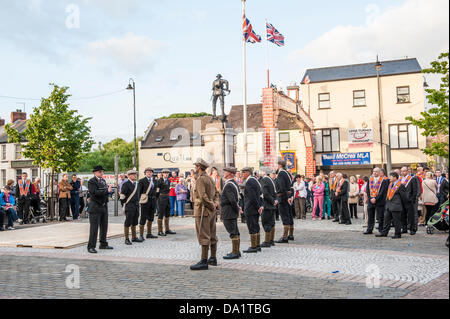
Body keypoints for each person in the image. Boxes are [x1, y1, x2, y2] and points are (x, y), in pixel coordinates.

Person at [190, 159, 219, 271]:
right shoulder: (210, 178)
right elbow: (216, 193)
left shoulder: (201, 179)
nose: (195, 168)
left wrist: (211, 205)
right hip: (211, 211)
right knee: (212, 234)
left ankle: (204, 260)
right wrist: (215, 204)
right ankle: (213, 258)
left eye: (196, 166)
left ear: (198, 167)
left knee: (204, 235)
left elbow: (202, 196)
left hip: (203, 211)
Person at [87, 166, 113, 253]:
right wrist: (107, 191)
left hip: (103, 206)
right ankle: (91, 246)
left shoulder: (103, 181)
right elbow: (94, 193)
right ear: (95, 173)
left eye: (102, 171)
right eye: (99, 172)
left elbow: (104, 192)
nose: (101, 173)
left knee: (104, 226)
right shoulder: (92, 181)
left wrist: (107, 192)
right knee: (94, 228)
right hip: (95, 207)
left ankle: (103, 243)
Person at [376, 172, 407, 239]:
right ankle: (384, 232)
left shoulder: (400, 185)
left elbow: (404, 197)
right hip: (388, 205)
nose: (389, 178)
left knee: (396, 221)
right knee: (386, 220)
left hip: (396, 206)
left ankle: (397, 234)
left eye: (391, 176)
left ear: (395, 177)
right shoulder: (390, 185)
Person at [221, 167, 242, 260]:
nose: (224, 173)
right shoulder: (233, 183)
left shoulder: (229, 184)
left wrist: (236, 209)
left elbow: (232, 200)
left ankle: (235, 252)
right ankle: (236, 251)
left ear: (230, 173)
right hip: (231, 211)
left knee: (233, 232)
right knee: (235, 231)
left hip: (229, 211)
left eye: (225, 171)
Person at [241, 167, 264, 253]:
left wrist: (258, 206)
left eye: (243, 172)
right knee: (256, 226)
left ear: (248, 173)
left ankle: (254, 246)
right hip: (255, 208)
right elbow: (261, 194)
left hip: (251, 208)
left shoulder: (250, 181)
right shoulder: (254, 180)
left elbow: (252, 197)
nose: (242, 174)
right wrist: (260, 206)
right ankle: (257, 245)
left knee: (252, 227)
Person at [364, 168, 389, 235]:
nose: (375, 173)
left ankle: (381, 230)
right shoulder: (370, 179)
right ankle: (369, 229)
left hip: (379, 201)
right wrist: (370, 198)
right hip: (371, 201)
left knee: (380, 216)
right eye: (374, 171)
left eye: (376, 172)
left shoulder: (383, 180)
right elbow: (367, 190)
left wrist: (376, 198)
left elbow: (383, 191)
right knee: (370, 216)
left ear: (379, 172)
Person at [120, 170, 142, 245]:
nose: (135, 176)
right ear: (128, 176)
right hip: (129, 205)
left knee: (135, 221)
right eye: (133, 174)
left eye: (135, 174)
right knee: (128, 222)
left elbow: (138, 195)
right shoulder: (126, 184)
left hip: (136, 205)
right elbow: (122, 197)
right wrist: (124, 205)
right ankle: (126, 238)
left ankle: (134, 237)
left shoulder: (137, 184)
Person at [276, 159, 294, 243]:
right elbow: (291, 186)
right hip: (288, 196)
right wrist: (290, 196)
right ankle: (291, 234)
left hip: (283, 197)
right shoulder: (287, 173)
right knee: (289, 215)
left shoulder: (281, 173)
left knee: (284, 216)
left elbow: (282, 187)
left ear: (279, 165)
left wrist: (286, 197)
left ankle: (284, 237)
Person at [399, 166, 421, 235]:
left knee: (411, 216)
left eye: (404, 171)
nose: (403, 172)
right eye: (402, 171)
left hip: (409, 200)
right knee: (403, 215)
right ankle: (404, 228)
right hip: (402, 200)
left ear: (408, 171)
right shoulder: (400, 179)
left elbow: (415, 189)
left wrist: (413, 199)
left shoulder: (412, 178)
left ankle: (412, 229)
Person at [260, 168, 278, 247]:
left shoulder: (264, 180)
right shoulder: (271, 180)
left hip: (267, 205)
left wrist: (272, 201)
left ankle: (267, 241)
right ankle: (271, 240)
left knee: (266, 222)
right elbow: (275, 192)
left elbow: (265, 193)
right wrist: (275, 200)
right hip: (272, 205)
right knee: (271, 222)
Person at [138, 167, 158, 240]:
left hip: (153, 201)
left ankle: (149, 233)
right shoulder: (142, 181)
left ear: (152, 173)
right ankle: (141, 235)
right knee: (143, 217)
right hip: (145, 201)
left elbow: (156, 191)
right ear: (145, 173)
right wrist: (139, 201)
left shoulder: (155, 181)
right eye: (147, 172)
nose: (149, 173)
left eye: (150, 172)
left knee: (151, 217)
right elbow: (139, 192)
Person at [156, 169, 176, 236]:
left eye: (167, 173)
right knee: (160, 214)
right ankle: (160, 230)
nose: (166, 174)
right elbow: (157, 191)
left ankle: (167, 229)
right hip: (161, 198)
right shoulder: (159, 181)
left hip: (167, 197)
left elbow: (170, 188)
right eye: (165, 173)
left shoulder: (168, 180)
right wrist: (158, 199)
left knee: (167, 213)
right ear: (162, 174)